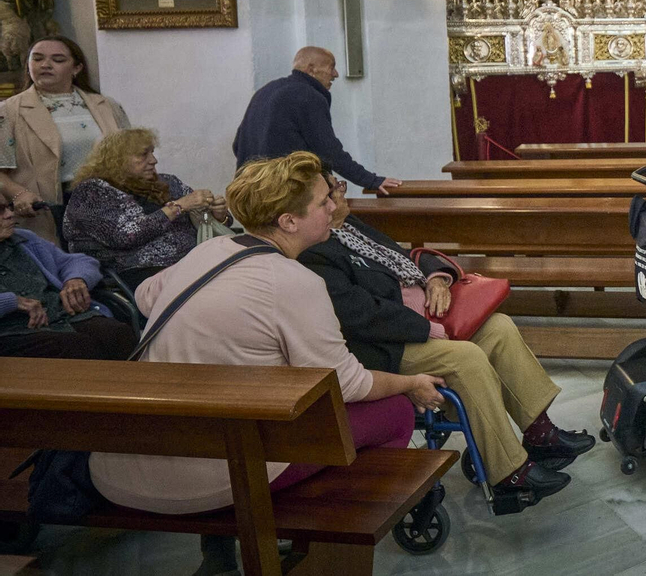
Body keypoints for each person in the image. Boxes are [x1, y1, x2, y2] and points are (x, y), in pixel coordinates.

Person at [89, 153, 445, 537]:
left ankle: (225, 547)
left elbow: (144, 295)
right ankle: (326, 527)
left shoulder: (210, 251)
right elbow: (347, 385)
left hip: (136, 460)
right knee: (394, 412)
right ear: (289, 221)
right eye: (324, 201)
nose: (334, 206)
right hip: (212, 478)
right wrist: (410, 384)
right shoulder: (295, 281)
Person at [300, 173, 586, 507]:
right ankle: (508, 472)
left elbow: (407, 256)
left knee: (499, 327)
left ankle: (539, 433)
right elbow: (362, 315)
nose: (341, 193)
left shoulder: (350, 228)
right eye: (333, 190)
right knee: (466, 358)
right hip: (387, 347)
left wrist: (436, 278)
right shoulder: (315, 253)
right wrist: (427, 329)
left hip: (423, 323)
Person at [0, 36, 131, 246]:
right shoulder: (9, 111)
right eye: (38, 59)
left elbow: (132, 154)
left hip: (107, 201)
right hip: (49, 206)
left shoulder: (106, 105)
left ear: (76, 68)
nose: (45, 65)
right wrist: (19, 194)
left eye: (58, 60)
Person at [63, 128, 231, 288]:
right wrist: (179, 206)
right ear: (117, 159)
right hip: (137, 272)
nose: (153, 160)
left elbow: (216, 221)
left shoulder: (168, 182)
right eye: (144, 154)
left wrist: (219, 214)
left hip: (190, 262)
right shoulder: (92, 192)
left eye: (152, 152)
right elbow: (126, 235)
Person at [233, 47, 401, 195]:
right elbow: (329, 151)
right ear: (311, 69)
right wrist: (371, 181)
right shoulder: (308, 96)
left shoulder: (265, 91)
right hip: (284, 195)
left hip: (249, 193)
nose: (335, 74)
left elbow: (237, 145)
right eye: (331, 66)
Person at [0, 203, 135, 360]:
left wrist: (76, 278)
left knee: (117, 334)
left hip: (60, 315)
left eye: (9, 207)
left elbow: (79, 261)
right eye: (0, 210)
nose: (10, 214)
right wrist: (12, 301)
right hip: (12, 330)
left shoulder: (24, 240)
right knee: (76, 346)